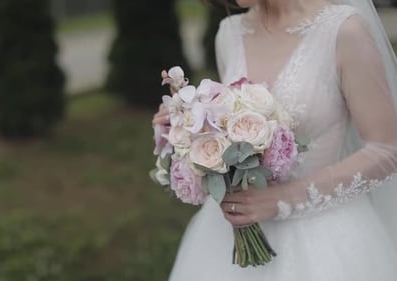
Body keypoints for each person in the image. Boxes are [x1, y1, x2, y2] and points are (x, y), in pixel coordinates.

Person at [152, 0, 397, 280]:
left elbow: (387, 149)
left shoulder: (343, 31)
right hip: (227, 240)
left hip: (324, 240)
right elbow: (226, 132)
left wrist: (283, 200)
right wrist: (186, 126)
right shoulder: (228, 34)